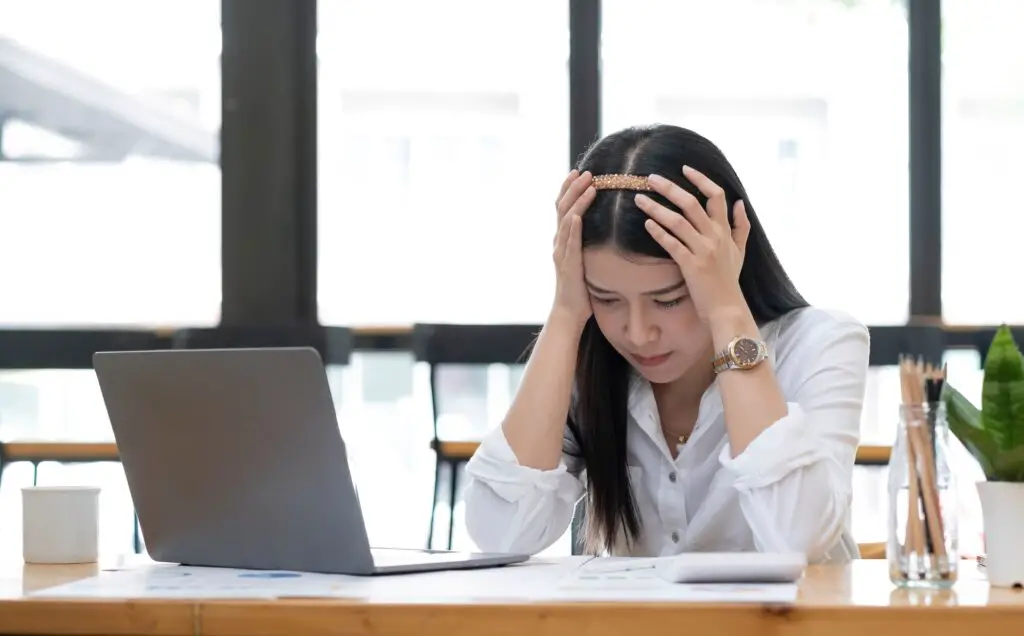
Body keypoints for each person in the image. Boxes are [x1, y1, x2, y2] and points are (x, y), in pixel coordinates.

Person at [463, 124, 869, 562]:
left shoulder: (820, 343)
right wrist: (565, 315)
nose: (638, 333)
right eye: (607, 298)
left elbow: (797, 540)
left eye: (669, 299)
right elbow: (500, 535)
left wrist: (727, 311)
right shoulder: (589, 357)